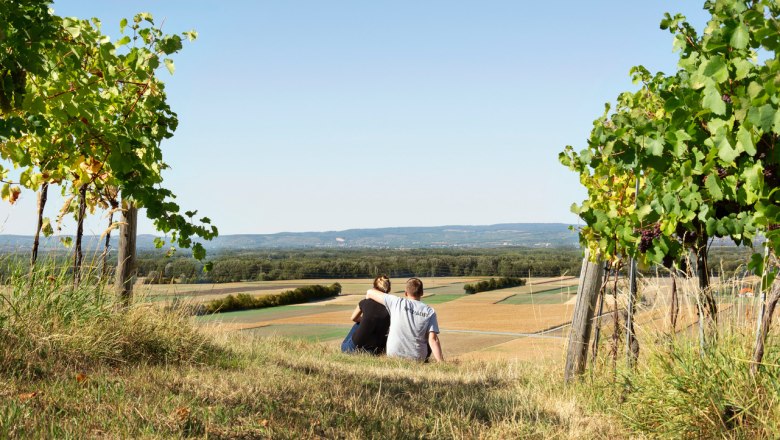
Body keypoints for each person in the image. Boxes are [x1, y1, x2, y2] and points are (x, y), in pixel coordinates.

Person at [365, 277, 443, 362]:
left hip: (393, 356)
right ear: (422, 293)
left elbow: (370, 292)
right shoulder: (429, 311)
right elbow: (433, 339)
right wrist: (441, 362)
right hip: (417, 359)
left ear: (406, 293)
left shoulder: (396, 302)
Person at [340, 275, 391, 354]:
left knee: (358, 323)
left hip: (351, 350)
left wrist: (366, 319)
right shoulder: (391, 307)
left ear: (374, 288)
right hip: (374, 351)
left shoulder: (365, 302)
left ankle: (352, 346)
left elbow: (353, 318)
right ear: (388, 289)